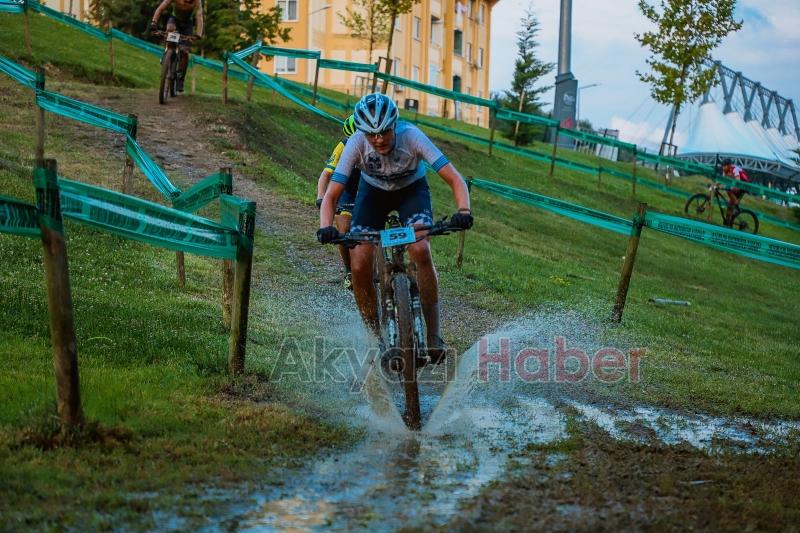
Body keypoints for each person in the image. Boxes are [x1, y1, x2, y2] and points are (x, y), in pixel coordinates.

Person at [316, 93, 473, 364]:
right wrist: (325, 227)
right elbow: (331, 194)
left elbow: (454, 178)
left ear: (395, 125)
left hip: (411, 192)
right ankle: (374, 336)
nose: (378, 139)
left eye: (385, 131)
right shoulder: (355, 144)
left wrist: (464, 212)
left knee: (421, 249)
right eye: (371, 134)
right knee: (359, 263)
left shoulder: (412, 136)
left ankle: (434, 336)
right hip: (372, 195)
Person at [316, 115, 360, 289]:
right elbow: (326, 174)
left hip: (368, 186)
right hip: (347, 189)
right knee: (343, 231)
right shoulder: (342, 146)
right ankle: (349, 270)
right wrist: (321, 197)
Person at [150, 0, 204, 93]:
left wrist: (198, 34)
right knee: (169, 30)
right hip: (174, 20)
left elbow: (199, 15)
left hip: (187, 24)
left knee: (185, 51)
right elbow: (161, 7)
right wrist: (154, 22)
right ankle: (166, 53)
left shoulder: (197, 1)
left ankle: (180, 78)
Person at [721, 159, 751, 224]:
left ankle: (736, 202)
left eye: (724, 166)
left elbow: (738, 181)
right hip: (737, 185)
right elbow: (721, 180)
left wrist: (731, 187)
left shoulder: (735, 169)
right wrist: (714, 185)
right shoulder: (724, 171)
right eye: (722, 166)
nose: (723, 167)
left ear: (729, 165)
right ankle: (728, 222)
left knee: (728, 189)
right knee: (730, 206)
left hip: (744, 184)